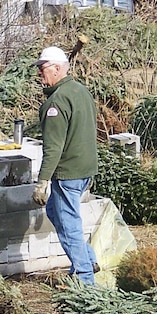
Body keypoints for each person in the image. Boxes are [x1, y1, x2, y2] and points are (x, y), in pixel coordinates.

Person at [30, 45, 100, 284]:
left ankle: (84, 278)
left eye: (43, 69)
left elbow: (53, 147)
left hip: (68, 173)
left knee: (68, 223)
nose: (40, 74)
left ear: (58, 69)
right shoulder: (80, 91)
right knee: (56, 213)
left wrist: (42, 182)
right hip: (86, 169)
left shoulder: (56, 103)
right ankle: (88, 259)